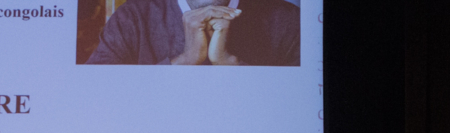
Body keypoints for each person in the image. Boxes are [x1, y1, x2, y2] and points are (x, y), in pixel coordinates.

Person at [84, 0, 300, 66]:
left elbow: (299, 109)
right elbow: (94, 96)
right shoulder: (131, 17)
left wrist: (230, 64)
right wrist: (184, 61)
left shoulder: (289, 20)